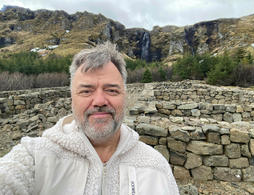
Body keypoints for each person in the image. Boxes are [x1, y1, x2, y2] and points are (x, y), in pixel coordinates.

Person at [0, 42, 179, 195]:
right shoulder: (36, 156)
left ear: (125, 95)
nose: (99, 101)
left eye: (111, 90)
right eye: (86, 91)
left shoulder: (156, 167)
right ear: (72, 98)